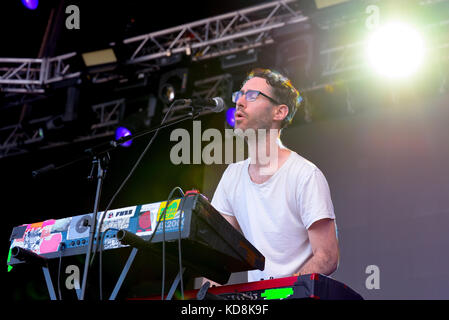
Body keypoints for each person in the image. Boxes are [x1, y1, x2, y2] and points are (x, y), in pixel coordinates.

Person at [211, 68, 339, 282]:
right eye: (239, 94)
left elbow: (326, 258)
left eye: (252, 95)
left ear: (279, 112)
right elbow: (215, 253)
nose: (240, 102)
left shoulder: (305, 175)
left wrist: (281, 294)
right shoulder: (232, 176)